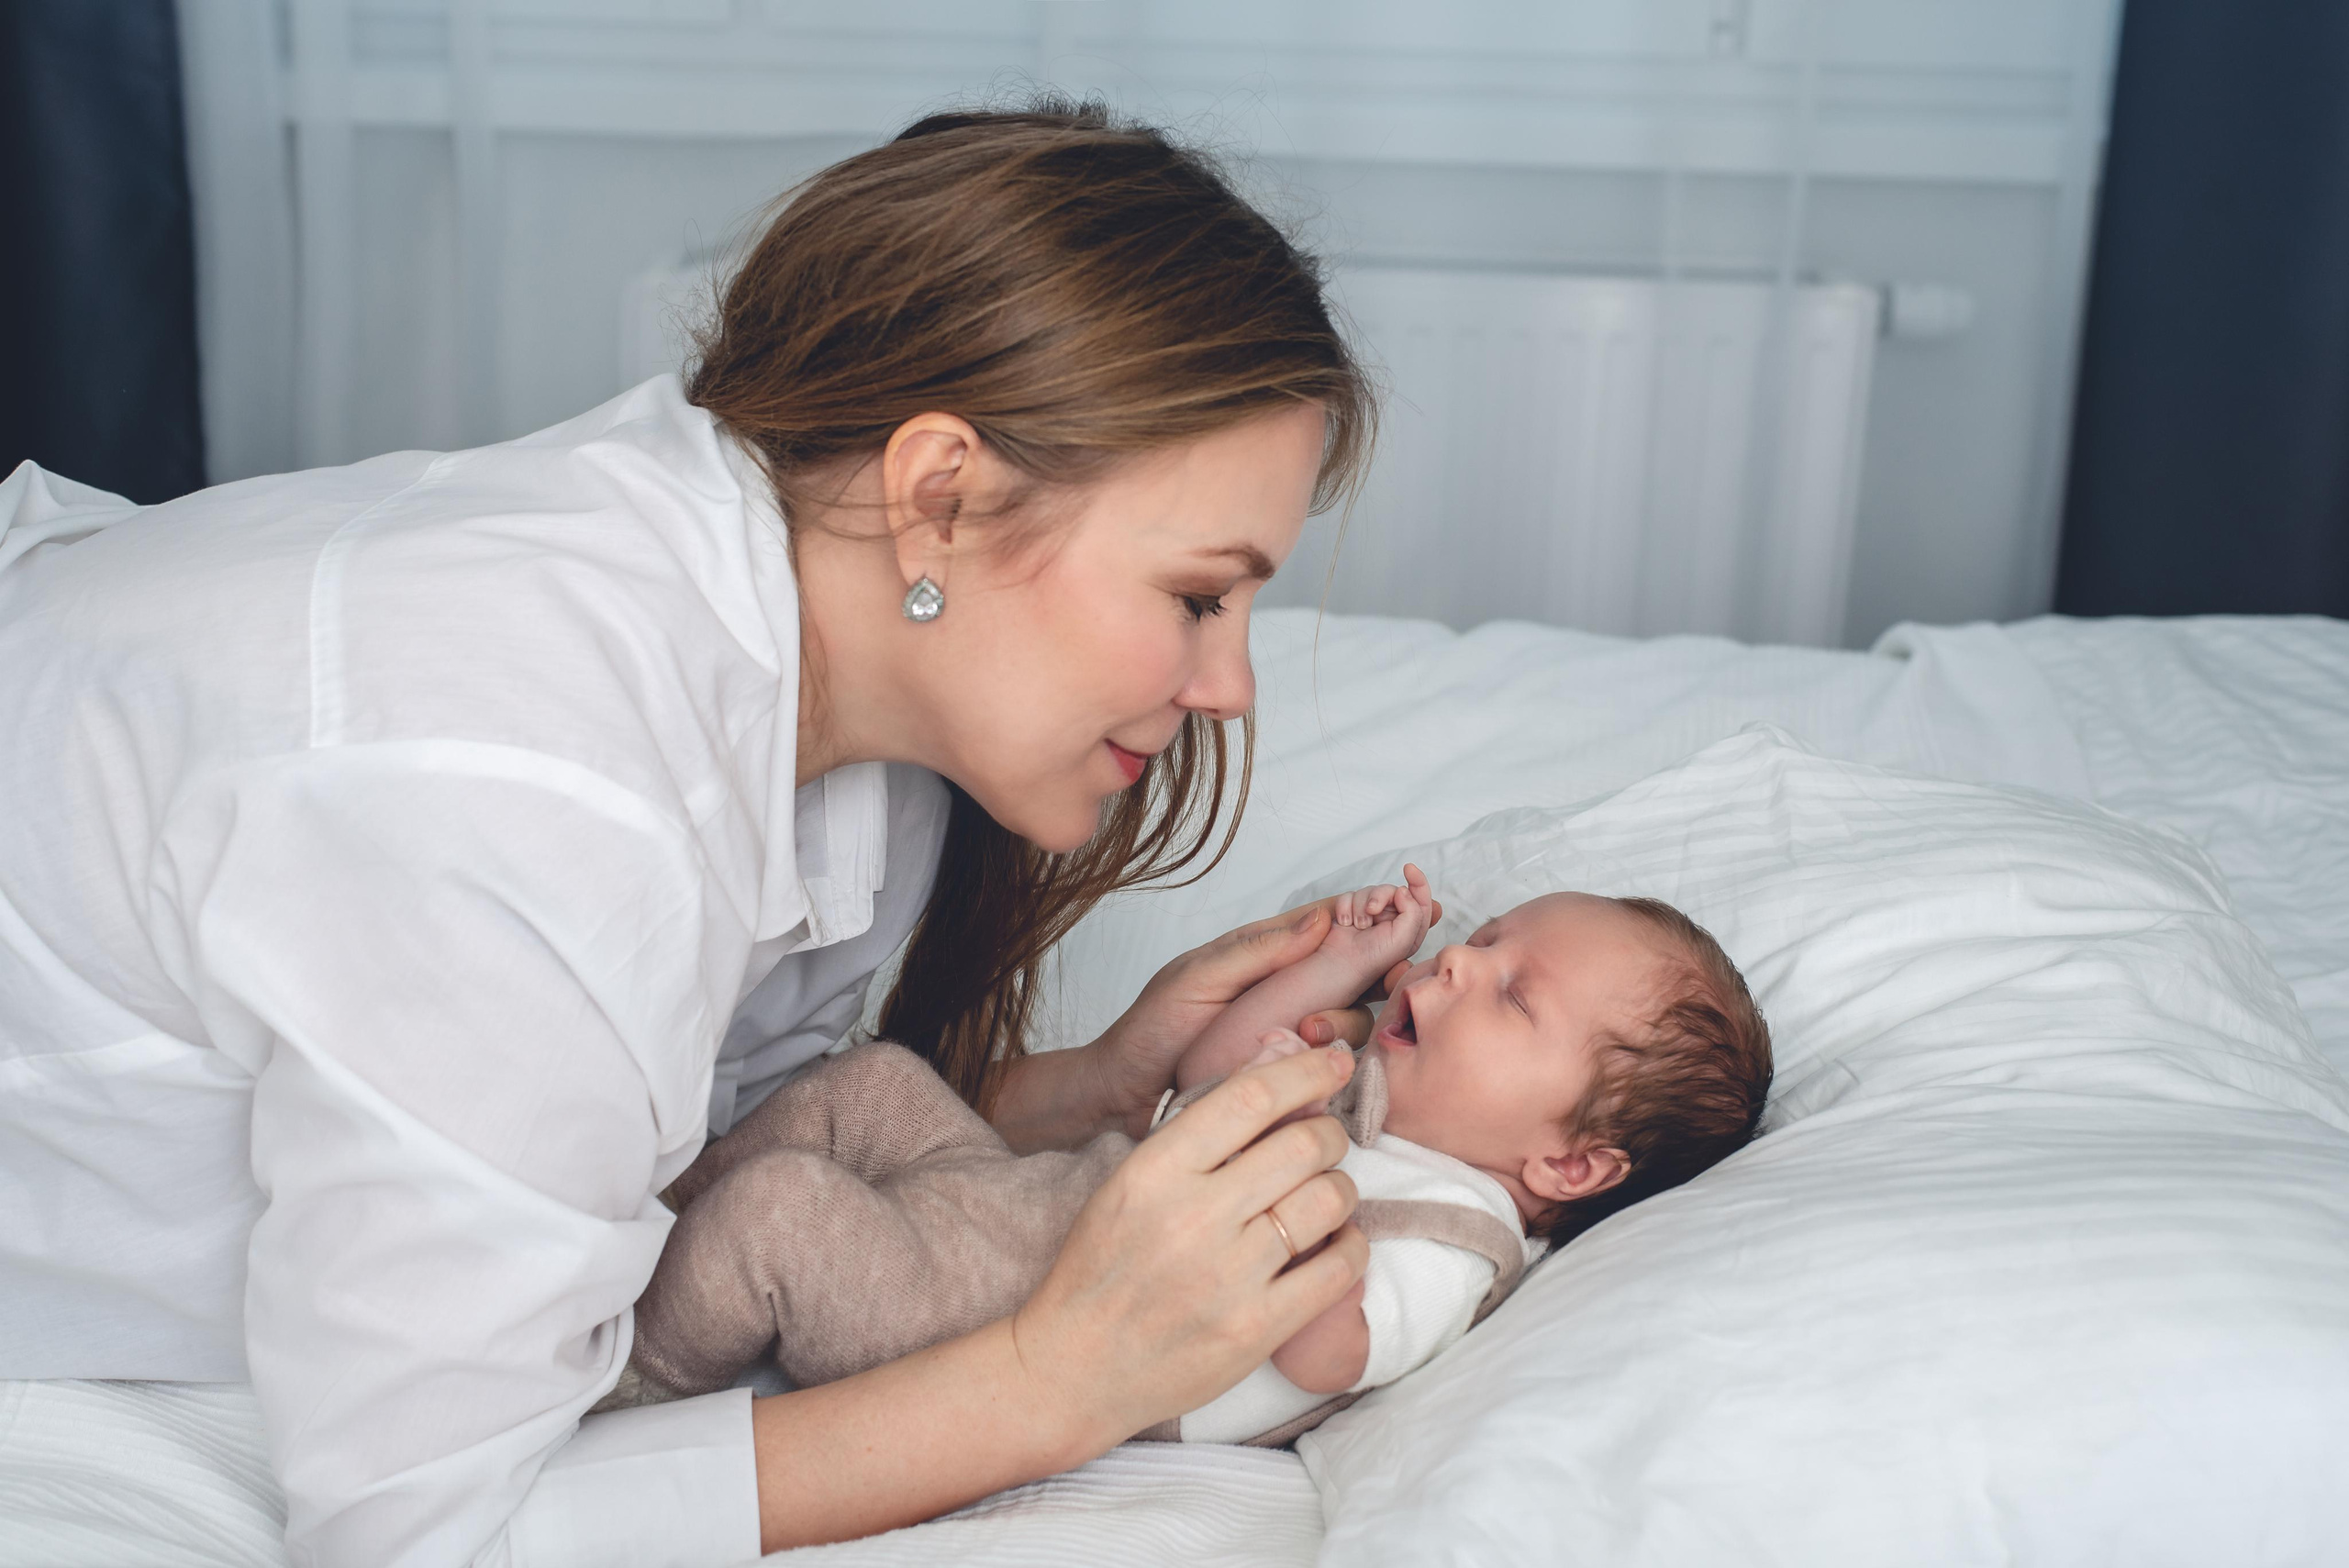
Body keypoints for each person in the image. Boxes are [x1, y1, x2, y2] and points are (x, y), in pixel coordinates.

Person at [0, 102, 1388, 1564]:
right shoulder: (525, 801)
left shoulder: (843, 712)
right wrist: (1058, 1378)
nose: (1229, 689)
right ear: (939, 499)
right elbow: (426, 1537)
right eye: (1196, 596)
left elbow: (677, 1156)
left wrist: (1093, 1096)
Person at [613, 866, 1774, 1445]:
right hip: (1039, 1193)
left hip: (1035, 1311)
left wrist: (1286, 1143)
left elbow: (1326, 1349)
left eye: (1514, 995)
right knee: (874, 1085)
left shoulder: (1450, 1235)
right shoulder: (1375, 1069)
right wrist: (1339, 968)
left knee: (785, 1216)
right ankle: (635, 1218)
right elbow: (1196, 1073)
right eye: (1480, 943)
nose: (1462, 966)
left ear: (1572, 1165)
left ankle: (619, 1383)